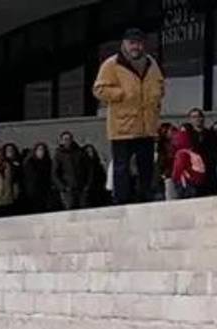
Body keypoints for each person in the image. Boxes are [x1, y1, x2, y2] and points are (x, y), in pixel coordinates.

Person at [92, 28, 165, 205]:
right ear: (124, 44)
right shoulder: (112, 64)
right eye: (132, 43)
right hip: (123, 126)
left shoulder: (151, 63)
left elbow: (160, 84)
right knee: (122, 166)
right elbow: (99, 89)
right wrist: (120, 94)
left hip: (146, 125)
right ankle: (121, 199)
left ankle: (146, 194)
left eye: (139, 43)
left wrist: (157, 96)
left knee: (146, 164)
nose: (136, 47)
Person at [186, 109, 217, 196]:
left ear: (203, 118)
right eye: (194, 117)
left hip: (209, 172)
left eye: (199, 116)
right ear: (190, 120)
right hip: (194, 172)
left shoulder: (212, 134)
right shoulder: (188, 136)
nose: (197, 119)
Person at [51, 131, 89, 210]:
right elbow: (55, 173)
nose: (67, 141)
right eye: (65, 139)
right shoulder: (58, 154)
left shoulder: (80, 152)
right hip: (67, 190)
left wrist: (87, 185)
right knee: (69, 211)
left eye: (69, 139)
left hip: (81, 188)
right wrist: (62, 187)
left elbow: (88, 169)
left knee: (84, 209)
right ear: (61, 141)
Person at [168, 128, 207, 200]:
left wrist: (174, 178)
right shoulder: (191, 152)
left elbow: (178, 168)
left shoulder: (181, 153)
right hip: (195, 181)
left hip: (186, 183)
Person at [21, 143, 56, 213]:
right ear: (35, 151)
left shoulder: (48, 162)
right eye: (39, 150)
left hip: (46, 192)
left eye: (43, 150)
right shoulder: (29, 163)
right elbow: (30, 178)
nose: (41, 152)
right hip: (33, 193)